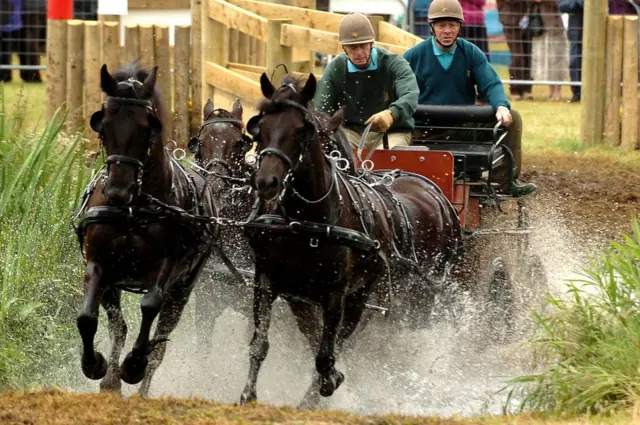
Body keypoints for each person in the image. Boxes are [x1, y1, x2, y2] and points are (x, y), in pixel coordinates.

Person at [403, 0, 536, 197]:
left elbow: (491, 84)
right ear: (432, 27)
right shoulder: (414, 56)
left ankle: (504, 182)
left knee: (513, 118)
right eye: (441, 25)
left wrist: (501, 106)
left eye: (452, 25)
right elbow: (398, 89)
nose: (447, 31)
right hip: (424, 132)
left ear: (460, 27)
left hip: (464, 128)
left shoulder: (471, 53)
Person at [313, 12, 420, 150]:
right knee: (335, 154)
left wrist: (391, 113)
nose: (358, 52)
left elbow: (410, 95)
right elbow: (321, 110)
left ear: (371, 43)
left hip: (393, 131)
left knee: (385, 162)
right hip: (351, 132)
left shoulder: (395, 63)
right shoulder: (335, 69)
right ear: (343, 48)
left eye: (363, 45)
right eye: (352, 47)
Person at [531, 0, 569, 101]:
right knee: (545, 59)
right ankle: (551, 90)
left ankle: (558, 90)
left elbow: (561, 4)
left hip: (555, 27)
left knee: (557, 59)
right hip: (539, 27)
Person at [496, 0, 534, 100]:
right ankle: (515, 89)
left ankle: (526, 89)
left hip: (526, 20)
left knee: (527, 56)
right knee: (517, 56)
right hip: (510, 21)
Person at [557, 0, 582, 103]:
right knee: (575, 63)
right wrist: (579, 3)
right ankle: (577, 93)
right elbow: (562, 5)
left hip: (597, 33)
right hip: (576, 33)